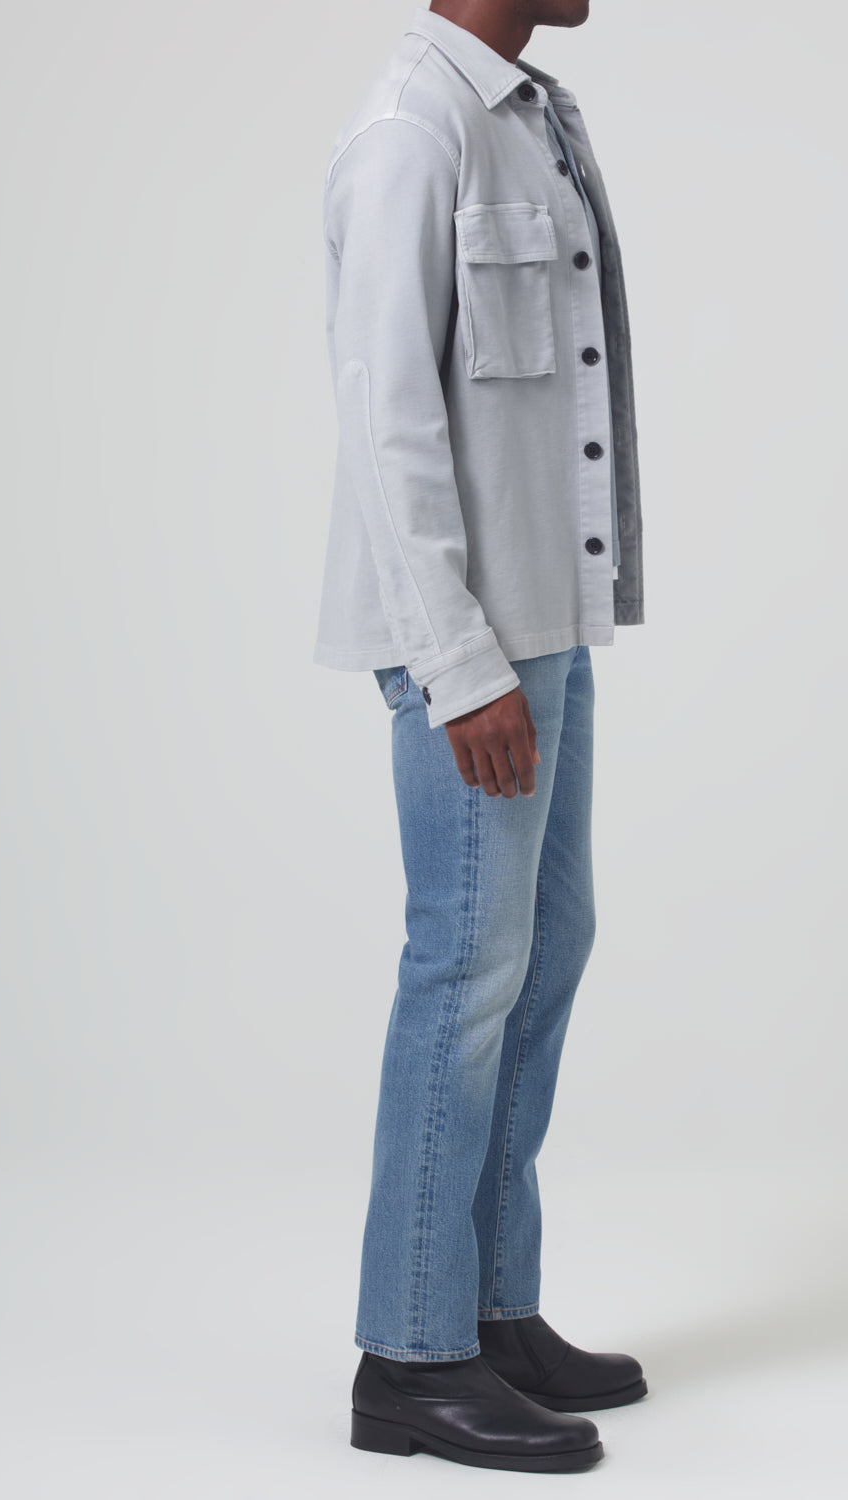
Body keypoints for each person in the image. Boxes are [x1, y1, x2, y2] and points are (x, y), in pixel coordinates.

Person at [312, 0, 647, 1473]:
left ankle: (491, 1308)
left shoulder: (529, 115)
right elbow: (385, 420)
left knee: (545, 949)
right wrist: (459, 666)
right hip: (472, 639)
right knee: (463, 969)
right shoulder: (413, 131)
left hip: (541, 621)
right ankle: (409, 1353)